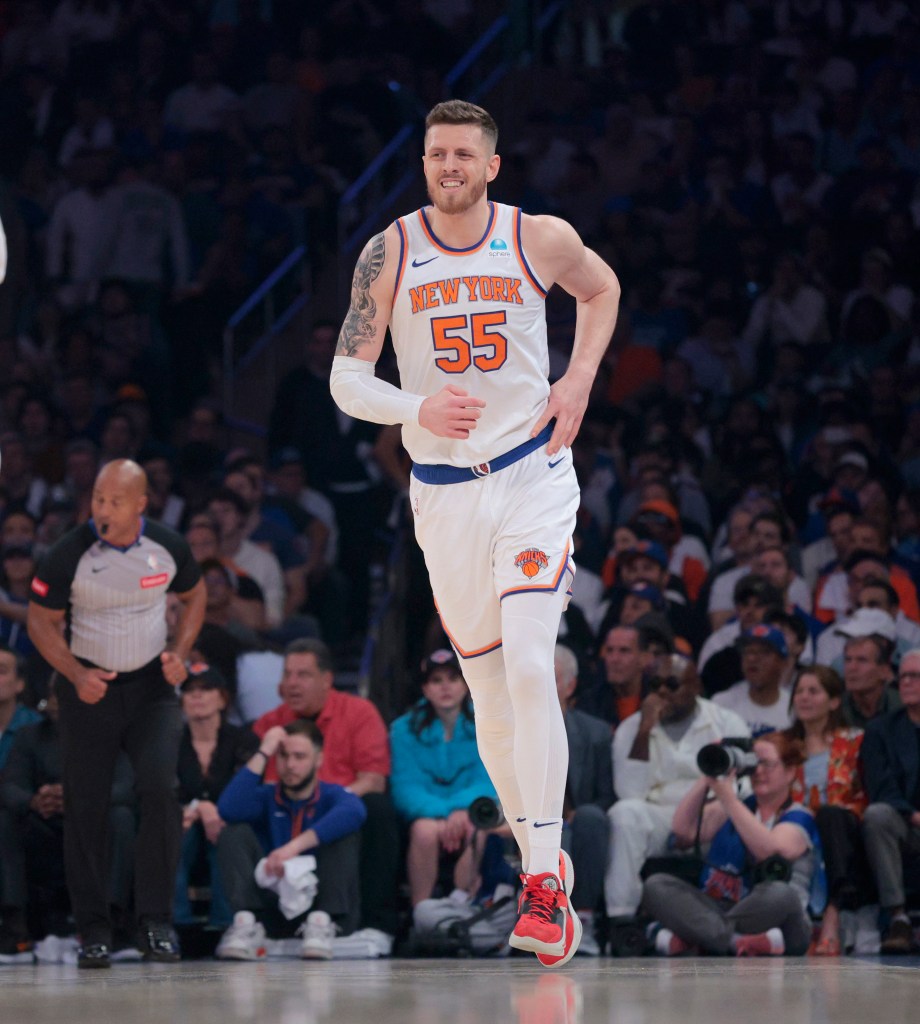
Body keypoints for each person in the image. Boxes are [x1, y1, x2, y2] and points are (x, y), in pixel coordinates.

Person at [330, 99, 621, 967]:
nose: (448, 165)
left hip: (533, 476)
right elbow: (347, 376)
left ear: (492, 164)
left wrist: (577, 382)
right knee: (490, 693)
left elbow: (601, 290)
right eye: (435, 153)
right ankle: (544, 863)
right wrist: (414, 405)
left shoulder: (539, 237)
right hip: (445, 495)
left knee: (534, 664)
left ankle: (541, 877)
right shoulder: (390, 249)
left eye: (463, 153)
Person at [26, 459, 206, 969]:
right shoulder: (70, 554)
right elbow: (41, 622)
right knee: (86, 806)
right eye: (98, 499)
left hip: (151, 689)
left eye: (114, 501)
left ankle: (155, 923)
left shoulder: (167, 547)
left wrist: (181, 652)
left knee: (159, 788)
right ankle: (93, 929)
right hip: (90, 690)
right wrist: (75, 673)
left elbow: (195, 597)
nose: (102, 509)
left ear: (141, 504)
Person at [252, 638, 400, 945]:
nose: (291, 684)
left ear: (327, 679)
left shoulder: (359, 712)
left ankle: (378, 923)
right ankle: (253, 922)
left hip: (341, 807)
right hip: (288, 810)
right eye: (287, 674)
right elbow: (264, 786)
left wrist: (330, 807)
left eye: (303, 675)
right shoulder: (271, 723)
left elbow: (373, 780)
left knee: (378, 809)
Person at [642, 731, 822, 957]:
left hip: (778, 918)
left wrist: (727, 797)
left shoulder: (799, 816)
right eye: (753, 763)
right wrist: (708, 774)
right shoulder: (735, 805)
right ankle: (736, 942)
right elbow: (682, 830)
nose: (758, 771)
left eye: (767, 764)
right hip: (721, 906)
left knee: (780, 893)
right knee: (656, 885)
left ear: (790, 772)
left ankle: (701, 937)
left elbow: (768, 849)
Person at [604, 653, 749, 925]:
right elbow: (630, 792)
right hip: (659, 817)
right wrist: (645, 730)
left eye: (672, 684)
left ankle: (738, 917)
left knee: (740, 813)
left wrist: (707, 816)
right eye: (655, 684)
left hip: (712, 817)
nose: (662, 692)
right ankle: (621, 919)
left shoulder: (726, 722)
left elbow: (745, 785)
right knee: (624, 813)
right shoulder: (631, 728)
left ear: (695, 688)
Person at [0, 686, 137, 962]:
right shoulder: (30, 736)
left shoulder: (112, 735)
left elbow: (127, 787)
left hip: (94, 826)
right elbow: (10, 787)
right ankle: (15, 929)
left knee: (122, 817)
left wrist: (80, 798)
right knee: (4, 820)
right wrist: (35, 800)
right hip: (45, 826)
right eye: (57, 695)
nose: (63, 703)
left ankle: (110, 926)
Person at [215, 719, 366, 961]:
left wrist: (293, 847)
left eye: (300, 756)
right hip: (272, 910)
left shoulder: (331, 795)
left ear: (318, 760)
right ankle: (246, 923)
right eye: (283, 756)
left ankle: (322, 922)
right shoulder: (267, 796)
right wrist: (264, 751)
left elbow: (355, 811)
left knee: (343, 832)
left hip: (320, 906)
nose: (290, 765)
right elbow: (228, 808)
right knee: (233, 832)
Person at [389, 649, 496, 907]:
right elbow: (406, 788)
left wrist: (461, 812)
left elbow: (489, 780)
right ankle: (421, 912)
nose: (445, 687)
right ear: (425, 689)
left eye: (453, 678)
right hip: (428, 816)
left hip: (469, 813)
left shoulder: (489, 724)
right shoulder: (402, 730)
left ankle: (463, 907)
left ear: (465, 684)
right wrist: (450, 813)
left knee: (478, 826)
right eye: (436, 681)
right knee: (424, 831)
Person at [784, 665, 871, 955]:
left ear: (834, 701)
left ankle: (832, 916)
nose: (804, 698)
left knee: (831, 818)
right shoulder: (782, 745)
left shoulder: (856, 741)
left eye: (814, 691)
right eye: (799, 691)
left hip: (845, 829)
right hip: (797, 831)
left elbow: (867, 794)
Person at [173, 662, 259, 931]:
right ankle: (176, 924)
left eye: (206, 689)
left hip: (229, 821)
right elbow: (165, 790)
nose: (197, 696)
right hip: (184, 819)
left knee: (227, 833)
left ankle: (229, 924)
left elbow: (247, 793)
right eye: (189, 691)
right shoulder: (170, 741)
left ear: (222, 698)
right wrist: (198, 807)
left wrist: (211, 809)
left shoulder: (244, 740)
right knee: (171, 831)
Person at [553, 644, 616, 956]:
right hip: (530, 819)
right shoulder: (509, 730)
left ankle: (586, 920)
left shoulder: (597, 732)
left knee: (591, 818)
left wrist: (576, 813)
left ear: (570, 686)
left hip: (582, 817)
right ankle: (552, 920)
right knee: (552, 829)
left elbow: (608, 794)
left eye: (549, 679)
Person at [860, 648, 920, 954]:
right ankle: (898, 917)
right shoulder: (880, 729)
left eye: (916, 676)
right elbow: (881, 787)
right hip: (905, 824)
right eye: (904, 676)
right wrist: (913, 815)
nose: (907, 682)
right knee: (877, 814)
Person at [712, 625, 794, 736]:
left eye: (764, 652)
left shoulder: (794, 708)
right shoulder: (722, 704)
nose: (752, 658)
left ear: (783, 663)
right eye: (747, 652)